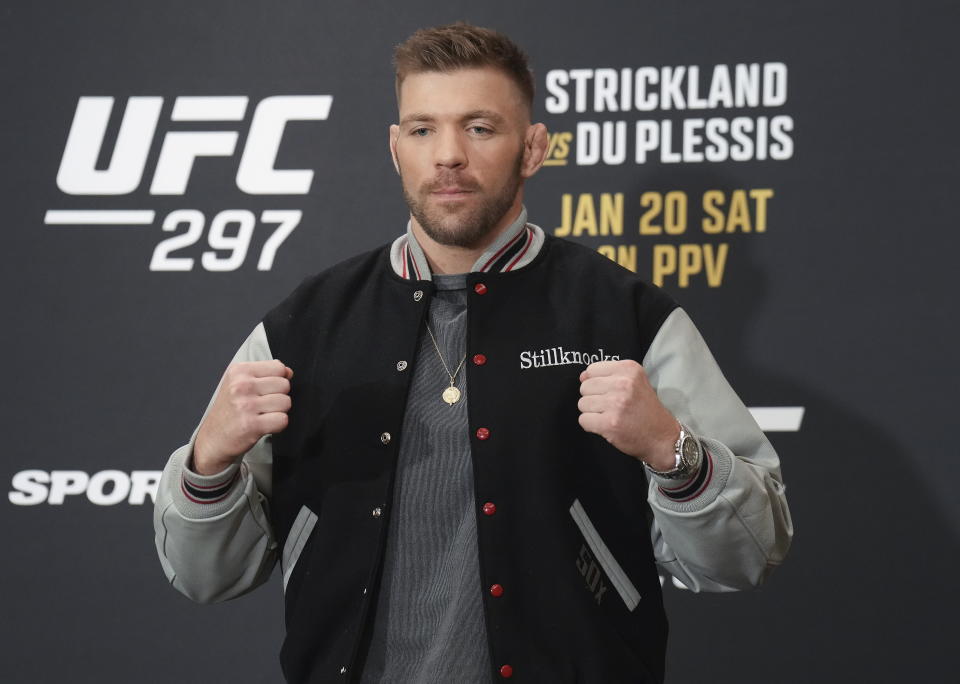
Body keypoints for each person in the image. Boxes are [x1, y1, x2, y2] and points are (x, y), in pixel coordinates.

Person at [153, 22, 792, 684]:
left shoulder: (623, 315)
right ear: (396, 148)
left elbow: (748, 555)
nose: (449, 154)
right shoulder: (305, 325)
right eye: (424, 130)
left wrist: (671, 449)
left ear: (534, 148)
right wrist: (207, 466)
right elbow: (206, 579)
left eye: (480, 128)